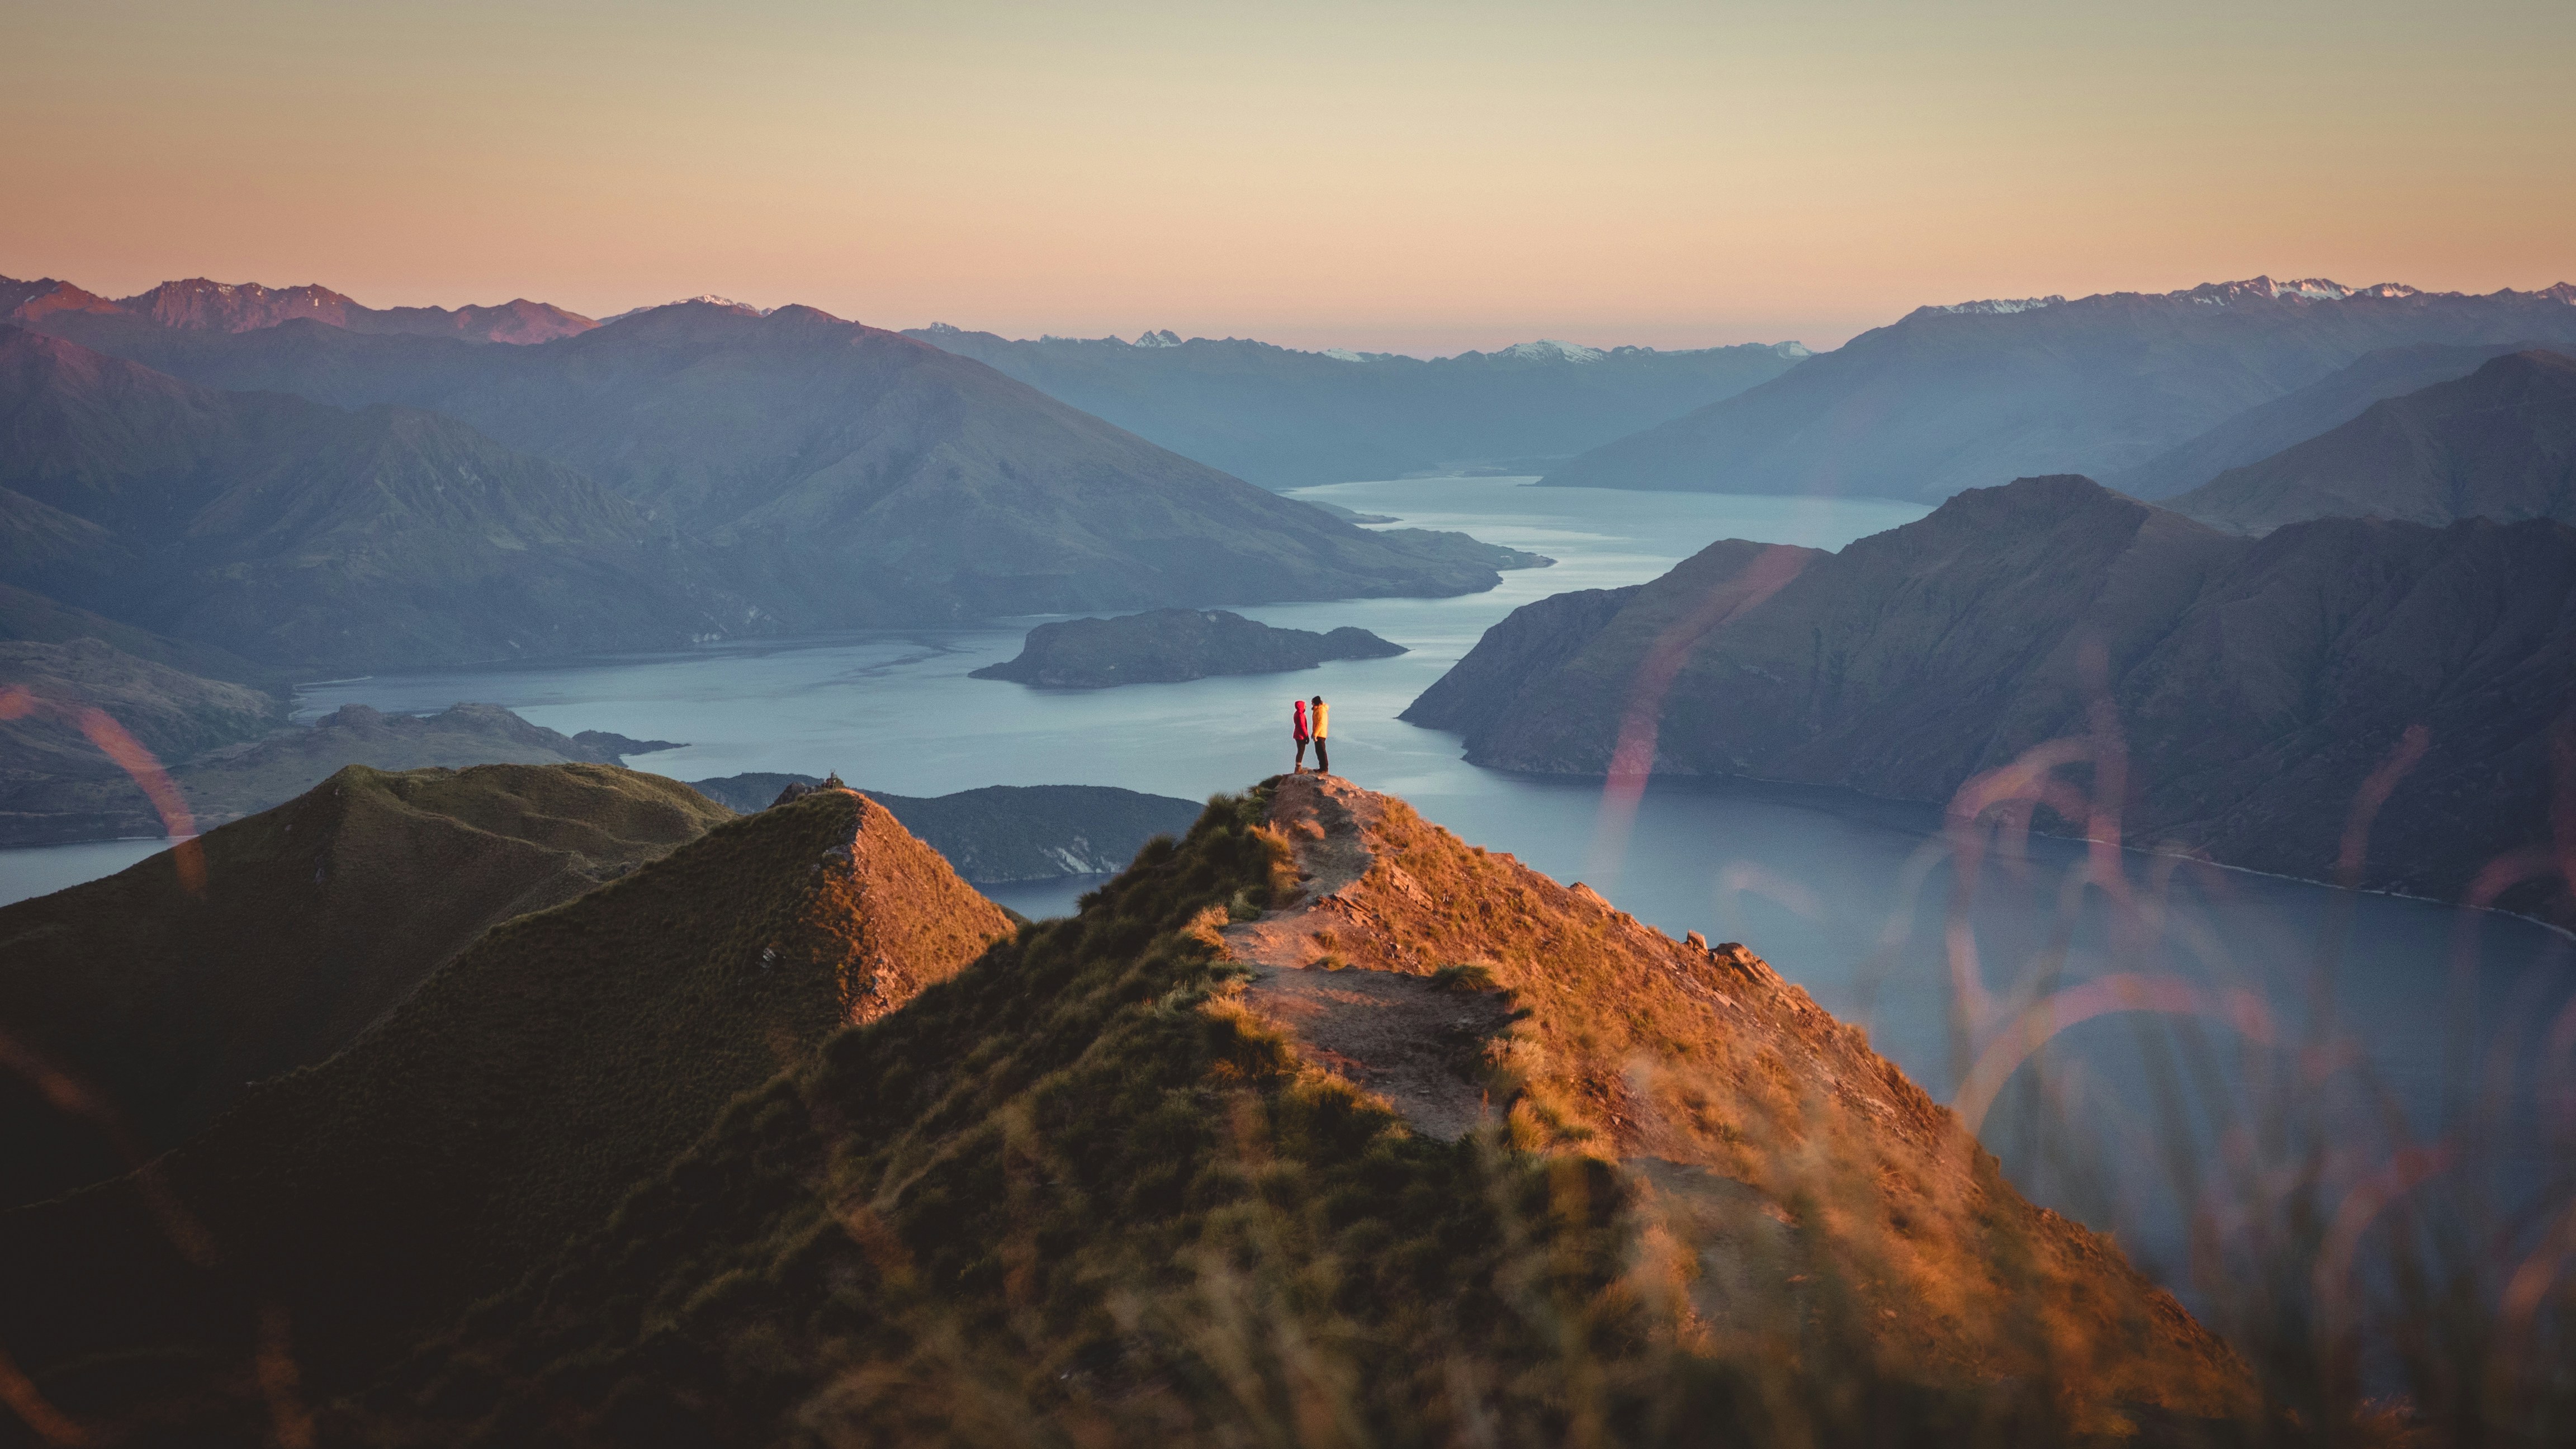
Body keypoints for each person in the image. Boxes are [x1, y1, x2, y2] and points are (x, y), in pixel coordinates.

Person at [1309, 694, 1330, 775]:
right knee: (1319, 751)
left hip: (1320, 734)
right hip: (1319, 733)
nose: (1312, 704)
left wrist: (1315, 734)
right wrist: (1314, 733)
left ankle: (1324, 769)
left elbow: (1321, 723)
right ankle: (1322, 768)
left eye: (1312, 702)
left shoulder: (1320, 711)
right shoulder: (1318, 710)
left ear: (1315, 703)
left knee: (1321, 751)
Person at [1291, 697, 1311, 773]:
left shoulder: (1297, 714)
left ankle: (1298, 767)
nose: (1306, 707)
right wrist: (1307, 736)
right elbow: (1303, 726)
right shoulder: (1301, 715)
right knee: (1301, 751)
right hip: (1301, 735)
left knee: (1300, 750)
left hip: (1297, 734)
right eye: (1305, 706)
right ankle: (1298, 768)